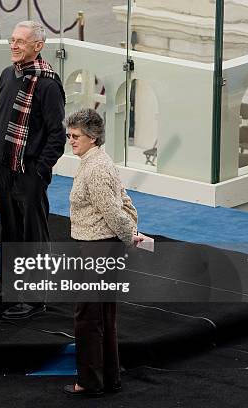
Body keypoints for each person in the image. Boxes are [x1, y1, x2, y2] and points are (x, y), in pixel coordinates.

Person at [0, 21, 66, 320]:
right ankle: (10, 289)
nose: (13, 46)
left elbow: (57, 134)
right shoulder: (8, 74)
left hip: (29, 171)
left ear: (38, 46)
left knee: (33, 235)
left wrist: (40, 171)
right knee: (10, 231)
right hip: (2, 168)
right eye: (12, 40)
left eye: (21, 41)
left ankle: (35, 297)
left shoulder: (48, 84)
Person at [63, 108, 143, 396]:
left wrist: (130, 236)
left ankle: (88, 382)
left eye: (75, 136)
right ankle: (109, 379)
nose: (70, 140)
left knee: (87, 317)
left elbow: (112, 210)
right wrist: (131, 228)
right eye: (69, 135)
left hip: (97, 249)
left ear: (92, 137)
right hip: (102, 247)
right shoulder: (97, 161)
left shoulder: (95, 167)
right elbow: (123, 200)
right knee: (104, 316)